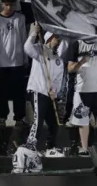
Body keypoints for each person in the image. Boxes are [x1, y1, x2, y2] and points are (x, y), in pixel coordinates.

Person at [67, 41, 97, 156]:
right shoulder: (76, 43)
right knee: (83, 122)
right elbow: (70, 68)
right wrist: (81, 62)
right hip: (82, 90)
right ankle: (84, 149)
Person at [23, 25, 66, 156]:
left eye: (59, 39)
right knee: (38, 118)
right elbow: (27, 48)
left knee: (54, 122)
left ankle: (50, 147)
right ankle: (30, 144)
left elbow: (59, 79)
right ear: (49, 38)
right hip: (38, 90)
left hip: (50, 95)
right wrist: (33, 33)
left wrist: (56, 93)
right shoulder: (40, 50)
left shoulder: (58, 59)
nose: (57, 41)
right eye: (55, 38)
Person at [0, 0, 27, 125]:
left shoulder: (20, 18)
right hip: (2, 63)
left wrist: (25, 58)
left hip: (17, 62)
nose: (9, 8)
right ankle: (2, 116)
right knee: (2, 93)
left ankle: (20, 117)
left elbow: (24, 39)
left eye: (11, 5)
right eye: (6, 5)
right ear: (2, 4)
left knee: (19, 92)